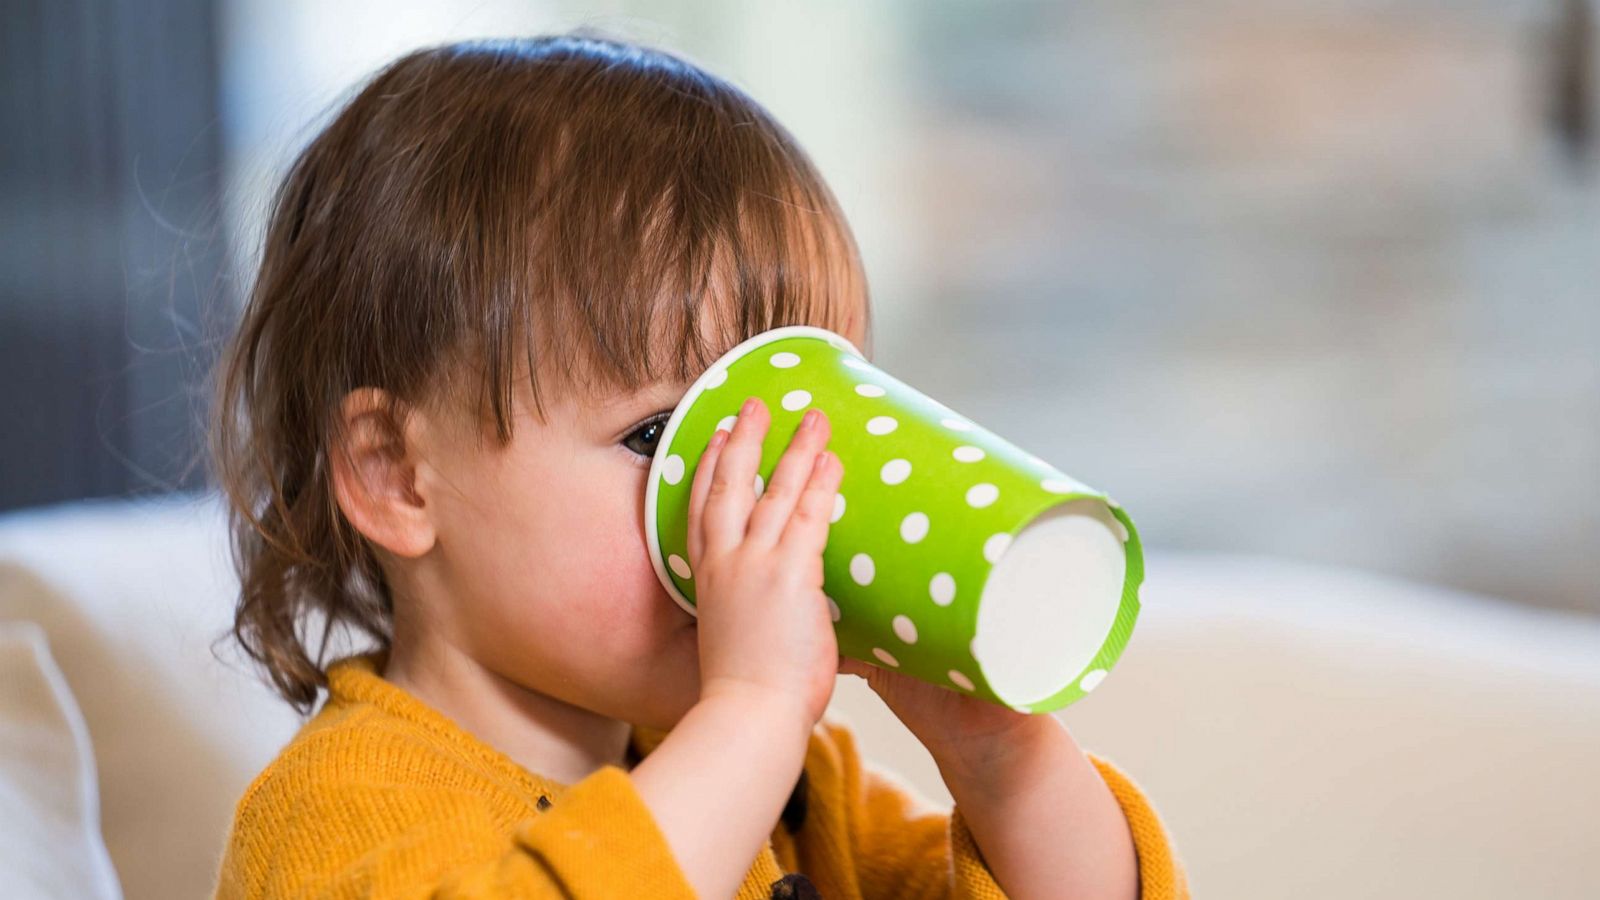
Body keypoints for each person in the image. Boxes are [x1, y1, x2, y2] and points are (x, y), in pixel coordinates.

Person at [207, 29, 1190, 900]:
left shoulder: (796, 788)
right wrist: (753, 718)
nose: (746, 499)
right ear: (397, 476)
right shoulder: (342, 813)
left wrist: (996, 752)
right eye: (660, 437)